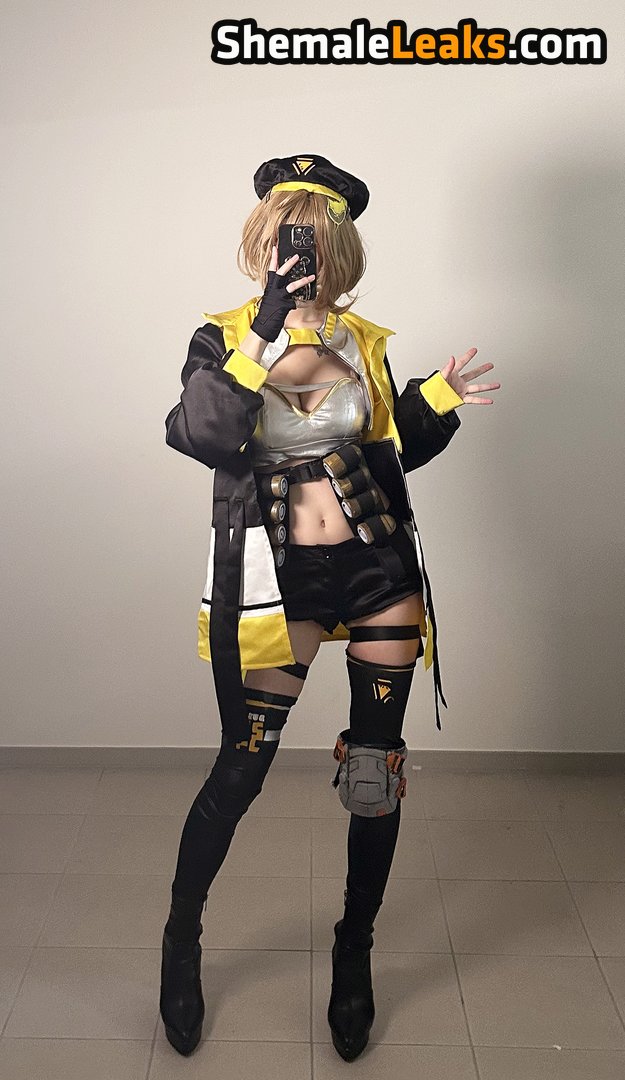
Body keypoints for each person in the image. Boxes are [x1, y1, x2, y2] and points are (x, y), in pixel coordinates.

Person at [160, 154, 500, 1061]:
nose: (299, 252)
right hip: (278, 582)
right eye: (287, 236)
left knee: (373, 773)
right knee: (242, 767)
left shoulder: (363, 341)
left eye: (314, 238)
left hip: (375, 569)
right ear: (262, 242)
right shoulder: (223, 336)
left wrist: (434, 399)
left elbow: (384, 449)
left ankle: (355, 953)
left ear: (339, 249)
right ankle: (181, 941)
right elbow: (203, 433)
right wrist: (266, 327)